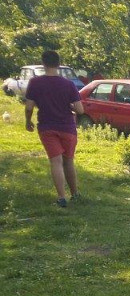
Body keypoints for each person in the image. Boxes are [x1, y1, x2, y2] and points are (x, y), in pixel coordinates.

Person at [24, 50, 84, 207]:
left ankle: (61, 197)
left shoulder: (35, 83)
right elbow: (80, 110)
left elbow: (29, 106)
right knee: (68, 161)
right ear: (58, 64)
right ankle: (75, 193)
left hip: (47, 126)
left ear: (43, 63)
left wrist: (28, 121)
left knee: (55, 161)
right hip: (67, 127)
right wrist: (69, 104)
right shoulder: (68, 84)